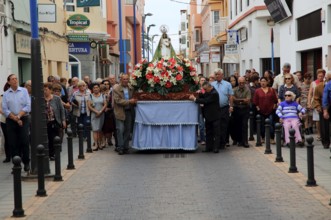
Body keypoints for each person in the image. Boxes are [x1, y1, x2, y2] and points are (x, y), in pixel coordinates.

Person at [2, 74, 31, 172]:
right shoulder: (6, 94)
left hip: (23, 118)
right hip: (11, 120)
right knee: (13, 143)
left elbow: (28, 106)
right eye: (13, 79)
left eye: (16, 78)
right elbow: (5, 109)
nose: (15, 80)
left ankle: (26, 162)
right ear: (9, 82)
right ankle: (16, 165)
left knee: (24, 141)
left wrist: (19, 116)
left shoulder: (24, 91)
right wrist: (15, 118)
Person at [189, 82, 221, 153]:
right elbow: (204, 96)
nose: (205, 91)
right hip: (208, 116)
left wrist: (195, 99)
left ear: (210, 87)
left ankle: (216, 148)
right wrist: (199, 93)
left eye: (205, 89)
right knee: (208, 132)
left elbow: (206, 100)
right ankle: (208, 147)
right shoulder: (209, 91)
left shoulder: (214, 93)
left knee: (216, 133)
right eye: (204, 89)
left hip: (215, 116)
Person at [113, 74, 137, 155]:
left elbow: (135, 97)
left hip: (129, 111)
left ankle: (126, 147)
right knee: (120, 129)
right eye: (124, 79)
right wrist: (129, 101)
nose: (125, 81)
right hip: (120, 111)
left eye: (127, 79)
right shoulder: (116, 89)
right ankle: (120, 147)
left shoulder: (131, 88)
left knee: (128, 129)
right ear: (121, 80)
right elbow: (118, 101)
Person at [211, 68, 233, 149]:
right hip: (215, 109)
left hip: (224, 108)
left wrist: (231, 106)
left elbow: (230, 96)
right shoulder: (212, 84)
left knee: (224, 126)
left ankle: (222, 143)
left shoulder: (227, 84)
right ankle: (217, 142)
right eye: (216, 74)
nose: (217, 76)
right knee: (216, 126)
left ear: (222, 75)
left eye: (218, 74)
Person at [44, 82, 66, 160]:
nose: (44, 91)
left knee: (55, 138)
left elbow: (61, 109)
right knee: (48, 138)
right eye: (43, 90)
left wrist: (63, 120)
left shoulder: (56, 98)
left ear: (50, 90)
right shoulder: (41, 99)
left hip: (55, 121)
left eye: (46, 89)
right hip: (46, 122)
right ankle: (50, 154)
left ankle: (54, 153)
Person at [253, 77, 278, 144]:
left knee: (271, 124)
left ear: (267, 82)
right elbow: (255, 101)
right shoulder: (257, 91)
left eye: (264, 81)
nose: (263, 83)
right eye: (261, 81)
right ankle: (262, 137)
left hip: (270, 110)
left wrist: (274, 106)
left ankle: (272, 138)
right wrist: (257, 107)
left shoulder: (272, 90)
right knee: (261, 125)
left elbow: (275, 100)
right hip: (261, 111)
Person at [232, 76, 251, 148]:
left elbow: (248, 100)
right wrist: (242, 100)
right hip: (236, 110)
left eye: (243, 83)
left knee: (244, 125)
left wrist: (237, 100)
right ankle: (239, 140)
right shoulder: (234, 90)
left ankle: (245, 141)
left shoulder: (247, 90)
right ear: (238, 82)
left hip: (245, 109)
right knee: (238, 125)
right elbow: (233, 99)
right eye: (240, 83)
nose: (241, 84)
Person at [88, 83, 107, 150]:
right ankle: (96, 144)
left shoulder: (102, 95)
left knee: (100, 129)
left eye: (97, 87)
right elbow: (89, 106)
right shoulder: (90, 96)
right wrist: (96, 112)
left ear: (99, 88)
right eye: (94, 88)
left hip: (101, 114)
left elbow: (105, 104)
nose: (95, 89)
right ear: (92, 89)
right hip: (94, 114)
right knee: (94, 129)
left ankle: (100, 143)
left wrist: (100, 111)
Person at [308, 69, 325, 139]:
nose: (320, 77)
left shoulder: (325, 83)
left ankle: (325, 133)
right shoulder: (313, 83)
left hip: (324, 102)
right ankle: (319, 133)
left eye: (322, 76)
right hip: (315, 102)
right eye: (319, 76)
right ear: (317, 76)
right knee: (317, 119)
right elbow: (310, 94)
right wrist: (309, 103)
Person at [316, 72, 331, 148]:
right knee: (325, 126)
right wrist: (323, 109)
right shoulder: (323, 86)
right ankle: (325, 142)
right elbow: (323, 98)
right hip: (327, 106)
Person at [0, 83, 10, 163]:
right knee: (7, 138)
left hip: (14, 119)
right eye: (8, 88)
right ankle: (8, 156)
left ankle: (16, 154)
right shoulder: (2, 97)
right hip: (4, 120)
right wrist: (7, 114)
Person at [197, 77, 206, 145]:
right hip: (200, 109)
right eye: (201, 80)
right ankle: (202, 139)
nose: (203, 81)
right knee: (201, 125)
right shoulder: (197, 90)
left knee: (206, 125)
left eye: (204, 80)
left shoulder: (207, 90)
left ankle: (206, 138)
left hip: (206, 109)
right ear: (199, 81)